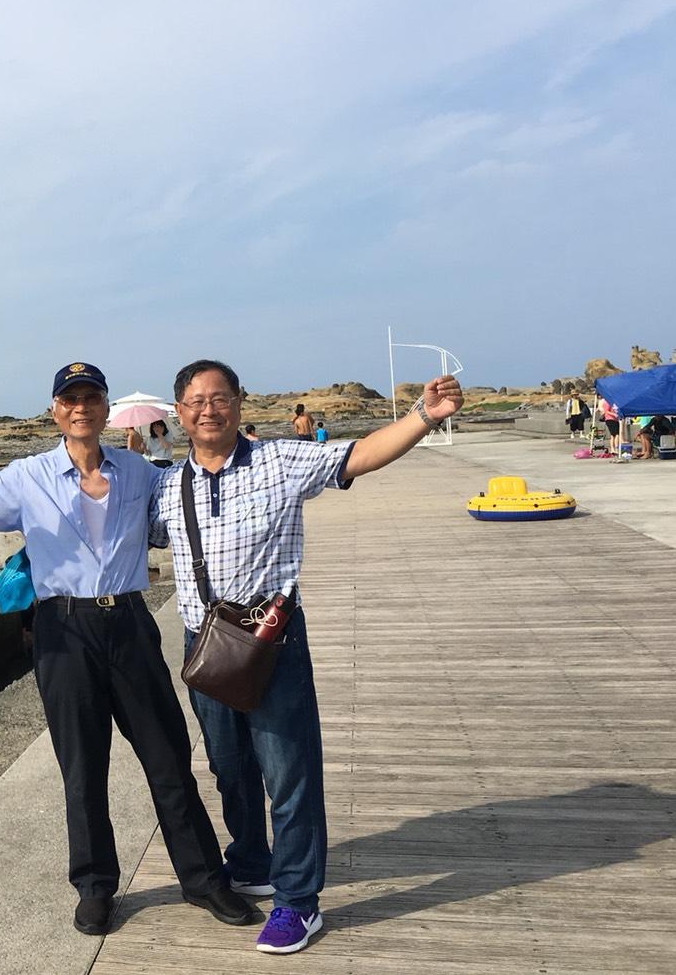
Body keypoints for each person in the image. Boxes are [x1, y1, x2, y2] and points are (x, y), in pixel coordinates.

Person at [0, 361, 255, 937]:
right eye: (70, 399)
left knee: (167, 758)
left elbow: (190, 504)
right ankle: (94, 887)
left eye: (91, 397)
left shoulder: (139, 471)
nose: (81, 407)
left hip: (129, 624)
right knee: (82, 767)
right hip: (62, 630)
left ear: (106, 409)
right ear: (56, 411)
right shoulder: (28, 475)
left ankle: (204, 879)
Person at [150, 359, 463, 955]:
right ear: (179, 413)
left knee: (289, 774)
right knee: (229, 768)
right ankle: (251, 860)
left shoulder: (279, 461)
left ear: (239, 403)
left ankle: (298, 902)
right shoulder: (165, 486)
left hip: (272, 644)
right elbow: (118, 528)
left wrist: (425, 415)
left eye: (220, 397)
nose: (209, 409)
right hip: (205, 646)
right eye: (196, 401)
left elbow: (361, 454)